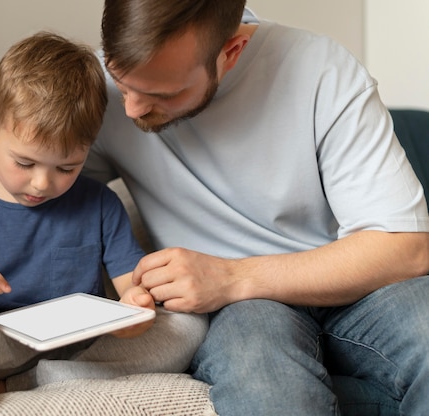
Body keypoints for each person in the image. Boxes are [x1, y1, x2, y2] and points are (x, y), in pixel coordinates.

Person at [83, 1, 429, 414]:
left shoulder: (322, 69)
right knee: (267, 383)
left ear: (231, 52)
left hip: (354, 288)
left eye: (164, 93)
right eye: (122, 82)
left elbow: (406, 246)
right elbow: (35, 190)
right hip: (241, 313)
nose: (132, 109)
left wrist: (230, 277)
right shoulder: (98, 92)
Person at [0, 32, 207, 416]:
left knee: (186, 328)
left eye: (66, 167)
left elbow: (132, 288)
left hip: (81, 348)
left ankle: (15, 385)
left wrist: (135, 312)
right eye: (25, 163)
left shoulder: (99, 205)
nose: (43, 183)